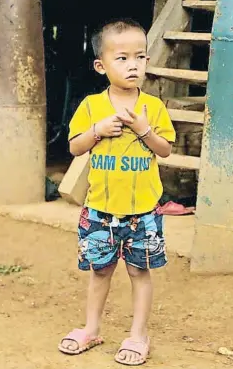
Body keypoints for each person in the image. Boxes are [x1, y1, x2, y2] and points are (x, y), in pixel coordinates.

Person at [58, 18, 175, 366]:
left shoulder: (153, 108)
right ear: (101, 65)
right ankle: (91, 328)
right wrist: (97, 131)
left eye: (139, 57)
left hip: (143, 212)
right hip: (100, 210)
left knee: (140, 272)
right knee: (100, 272)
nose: (133, 65)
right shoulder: (92, 106)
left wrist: (143, 130)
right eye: (122, 58)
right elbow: (76, 147)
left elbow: (165, 149)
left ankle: (138, 335)